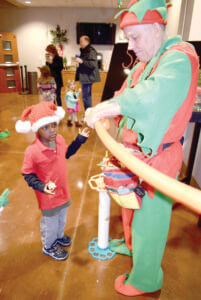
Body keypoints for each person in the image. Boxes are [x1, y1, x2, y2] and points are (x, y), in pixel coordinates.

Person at [85, 0, 199, 297]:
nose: (131, 47)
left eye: (135, 37)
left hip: (158, 159)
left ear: (157, 27)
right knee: (129, 206)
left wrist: (108, 108)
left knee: (150, 218)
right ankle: (132, 244)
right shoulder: (146, 63)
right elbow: (124, 93)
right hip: (131, 157)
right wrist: (112, 109)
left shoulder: (180, 56)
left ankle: (147, 278)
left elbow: (151, 95)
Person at [15, 102, 89, 261]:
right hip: (48, 197)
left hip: (63, 191)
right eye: (45, 127)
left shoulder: (60, 140)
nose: (52, 130)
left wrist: (79, 140)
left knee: (62, 218)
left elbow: (67, 154)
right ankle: (48, 245)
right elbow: (27, 174)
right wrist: (42, 187)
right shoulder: (32, 151)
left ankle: (59, 236)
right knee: (50, 224)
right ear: (37, 129)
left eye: (53, 125)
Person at [75, 35, 100, 113]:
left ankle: (88, 114)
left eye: (81, 41)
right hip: (85, 77)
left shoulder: (90, 51)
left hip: (88, 78)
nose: (80, 43)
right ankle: (88, 114)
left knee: (86, 97)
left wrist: (81, 61)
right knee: (86, 97)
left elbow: (92, 65)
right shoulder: (85, 50)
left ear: (87, 42)